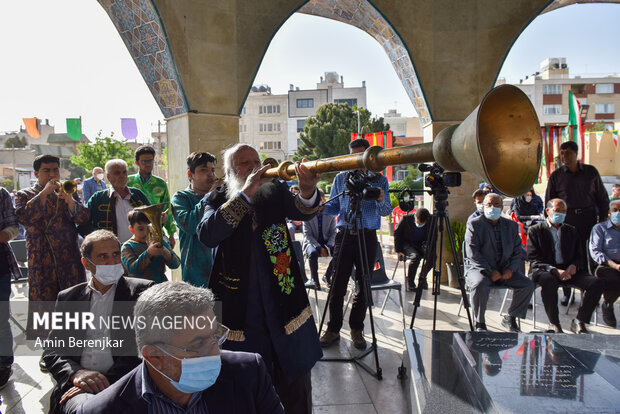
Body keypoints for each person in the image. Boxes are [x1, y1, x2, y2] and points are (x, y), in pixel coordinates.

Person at [197, 143, 321, 414]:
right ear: (230, 171)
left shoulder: (276, 190)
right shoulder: (216, 197)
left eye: (256, 160)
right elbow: (207, 234)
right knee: (247, 386)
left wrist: (308, 189)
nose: (255, 167)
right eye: (244, 163)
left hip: (283, 297)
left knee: (295, 381)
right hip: (240, 305)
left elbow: (302, 210)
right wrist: (246, 194)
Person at [76, 281, 284, 414]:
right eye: (198, 345)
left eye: (214, 337)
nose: (215, 353)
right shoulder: (104, 410)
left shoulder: (249, 373)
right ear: (154, 356)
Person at [42, 230, 153, 414]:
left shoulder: (143, 292)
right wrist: (76, 374)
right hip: (78, 387)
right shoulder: (69, 297)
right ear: (86, 263)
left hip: (125, 385)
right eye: (103, 257)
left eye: (116, 254)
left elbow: (145, 348)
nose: (112, 262)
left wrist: (102, 383)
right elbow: (53, 350)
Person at [320, 138, 392, 350]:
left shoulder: (380, 180)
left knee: (364, 284)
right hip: (344, 235)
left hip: (368, 236)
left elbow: (386, 211)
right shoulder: (341, 178)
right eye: (354, 156)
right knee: (337, 284)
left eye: (362, 155)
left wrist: (379, 198)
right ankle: (333, 329)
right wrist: (320, 207)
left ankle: (357, 329)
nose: (359, 160)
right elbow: (333, 208)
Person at [15, 155, 90, 321]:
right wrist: (44, 193)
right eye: (46, 170)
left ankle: (76, 341)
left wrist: (70, 200)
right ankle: (49, 342)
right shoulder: (24, 194)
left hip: (69, 257)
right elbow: (24, 217)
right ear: (36, 173)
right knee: (45, 305)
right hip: (41, 259)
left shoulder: (67, 190)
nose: (52, 174)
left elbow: (83, 218)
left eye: (55, 170)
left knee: (74, 301)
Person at [545, 140, 609, 306]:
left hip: (588, 218)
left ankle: (589, 291)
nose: (564, 156)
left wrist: (601, 221)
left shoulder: (590, 172)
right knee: (566, 254)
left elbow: (602, 198)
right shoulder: (557, 175)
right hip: (566, 220)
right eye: (562, 153)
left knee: (589, 256)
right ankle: (567, 292)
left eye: (568, 153)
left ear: (576, 153)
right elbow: (549, 201)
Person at [527, 199, 603, 334]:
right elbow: (533, 259)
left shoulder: (571, 230)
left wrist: (574, 265)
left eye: (563, 211)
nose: (560, 214)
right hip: (545, 270)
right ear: (547, 211)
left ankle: (580, 320)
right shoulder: (535, 230)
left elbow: (579, 255)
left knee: (595, 283)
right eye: (557, 210)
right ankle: (554, 323)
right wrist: (555, 270)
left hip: (568, 270)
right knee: (548, 281)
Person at [464, 193, 535, 332]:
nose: (493, 207)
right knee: (479, 284)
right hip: (480, 269)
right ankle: (480, 323)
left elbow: (517, 250)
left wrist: (511, 269)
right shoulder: (474, 224)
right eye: (489, 204)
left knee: (527, 285)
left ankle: (511, 317)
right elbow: (473, 253)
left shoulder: (511, 226)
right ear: (483, 207)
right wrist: (490, 271)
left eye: (497, 205)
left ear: (502, 207)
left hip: (504, 269)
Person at [171, 152, 221, 287]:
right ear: (190, 174)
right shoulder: (181, 198)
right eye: (203, 170)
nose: (210, 174)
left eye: (212, 170)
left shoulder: (220, 195)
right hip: (196, 273)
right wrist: (209, 196)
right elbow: (190, 225)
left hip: (221, 269)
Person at [83, 159, 150, 243]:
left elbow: (151, 219)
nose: (122, 176)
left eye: (124, 172)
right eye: (117, 173)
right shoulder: (98, 198)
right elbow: (82, 222)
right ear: (108, 177)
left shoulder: (137, 194)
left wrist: (160, 219)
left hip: (141, 247)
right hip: (111, 251)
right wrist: (97, 240)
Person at [127, 145, 177, 249]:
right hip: (133, 233)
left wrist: (171, 235)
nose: (148, 164)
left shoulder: (160, 183)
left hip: (156, 231)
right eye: (144, 161)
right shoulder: (129, 182)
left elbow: (167, 209)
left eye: (150, 161)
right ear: (137, 163)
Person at [121, 210, 180, 284]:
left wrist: (165, 251)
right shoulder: (127, 247)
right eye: (141, 229)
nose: (146, 232)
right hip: (140, 290)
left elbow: (176, 264)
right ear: (131, 229)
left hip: (160, 287)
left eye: (149, 228)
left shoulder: (157, 241)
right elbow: (132, 270)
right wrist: (148, 253)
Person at [589, 199, 620, 328]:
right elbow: (596, 251)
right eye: (615, 210)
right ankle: (607, 304)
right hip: (606, 265)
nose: (618, 213)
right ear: (609, 212)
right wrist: (615, 265)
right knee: (615, 280)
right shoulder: (600, 228)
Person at [0, 187, 20, 389]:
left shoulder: (1, 193)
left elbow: (12, 228)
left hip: (0, 267)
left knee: (0, 320)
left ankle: (3, 364)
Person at [302, 190, 336, 290]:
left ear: (324, 200)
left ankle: (327, 276)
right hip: (311, 243)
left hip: (327, 242)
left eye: (320, 200)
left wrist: (329, 246)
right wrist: (320, 248)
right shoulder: (307, 215)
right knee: (312, 254)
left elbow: (334, 232)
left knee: (339, 252)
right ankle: (315, 280)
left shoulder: (330, 214)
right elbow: (307, 235)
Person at [394, 207, 432, 290]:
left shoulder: (430, 220)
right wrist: (398, 251)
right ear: (415, 217)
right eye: (419, 222)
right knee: (416, 257)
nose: (420, 224)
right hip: (408, 244)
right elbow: (397, 233)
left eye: (423, 223)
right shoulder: (406, 219)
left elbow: (434, 235)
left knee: (432, 257)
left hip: (421, 244)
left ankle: (422, 276)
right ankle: (410, 281)